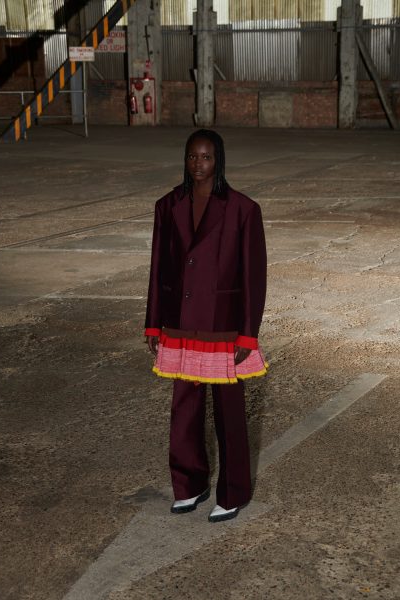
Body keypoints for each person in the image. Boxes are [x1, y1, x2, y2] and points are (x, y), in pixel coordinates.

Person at [144, 129, 267, 523]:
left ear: (219, 160)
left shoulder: (243, 209)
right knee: (184, 409)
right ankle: (189, 484)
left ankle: (233, 492)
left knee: (229, 413)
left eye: (206, 157)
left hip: (223, 327)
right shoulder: (167, 206)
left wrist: (248, 333)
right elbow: (158, 268)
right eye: (192, 156)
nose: (198, 164)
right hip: (180, 324)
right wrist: (153, 324)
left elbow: (253, 277)